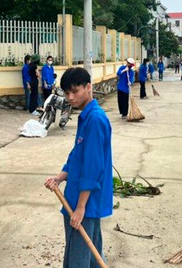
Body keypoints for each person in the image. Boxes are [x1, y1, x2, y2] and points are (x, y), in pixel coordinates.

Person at [44, 67, 113, 268]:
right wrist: (60, 177)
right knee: (90, 254)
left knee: (79, 258)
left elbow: (93, 167)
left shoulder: (95, 119)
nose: (70, 97)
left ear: (89, 87)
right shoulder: (86, 116)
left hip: (86, 201)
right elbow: (77, 155)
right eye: (67, 93)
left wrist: (81, 207)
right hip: (77, 195)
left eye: (75, 91)